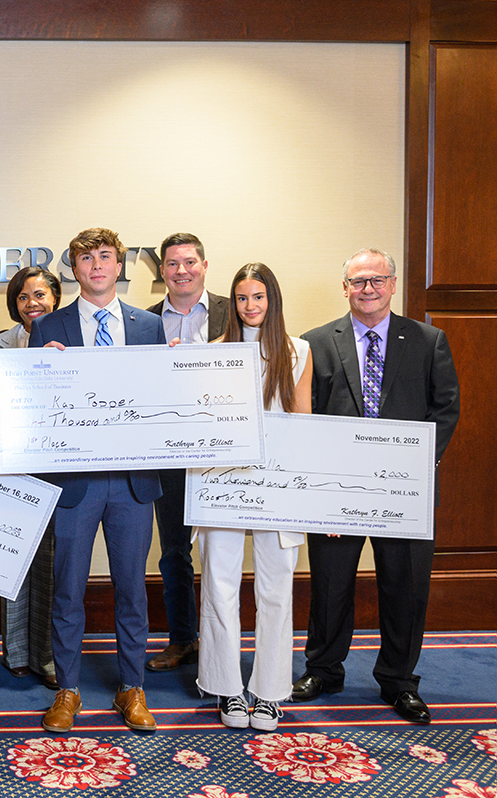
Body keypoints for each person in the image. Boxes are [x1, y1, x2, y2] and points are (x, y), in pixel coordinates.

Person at [292, 248, 459, 724]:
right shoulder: (316, 342)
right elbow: (306, 417)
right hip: (337, 490)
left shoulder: (428, 340)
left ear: (393, 285)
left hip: (404, 490)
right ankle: (323, 670)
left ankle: (399, 680)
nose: (368, 288)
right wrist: (317, 488)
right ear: (344, 287)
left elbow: (445, 407)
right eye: (358, 281)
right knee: (330, 583)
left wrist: (413, 466)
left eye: (377, 280)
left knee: (405, 585)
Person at [31, 227, 166, 734]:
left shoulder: (149, 326)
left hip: (133, 481)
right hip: (76, 482)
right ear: (74, 268)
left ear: (119, 265)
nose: (96, 266)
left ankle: (132, 687)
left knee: (132, 589)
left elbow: (162, 397)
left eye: (105, 257)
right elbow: (36, 405)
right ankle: (67, 689)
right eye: (86, 258)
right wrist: (46, 372)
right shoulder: (48, 326)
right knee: (68, 590)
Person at [195, 263, 311, 731]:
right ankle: (225, 687)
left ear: (272, 300)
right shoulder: (212, 351)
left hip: (278, 486)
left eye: (258, 297)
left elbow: (304, 423)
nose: (250, 306)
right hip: (221, 483)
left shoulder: (298, 351)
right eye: (242, 298)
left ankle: (269, 692)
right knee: (219, 584)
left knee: (276, 589)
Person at [144, 232, 231, 673]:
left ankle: (222, 644)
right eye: (173, 264)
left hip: (224, 450)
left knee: (223, 548)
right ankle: (183, 639)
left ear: (204, 265)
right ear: (162, 270)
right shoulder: (142, 322)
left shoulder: (233, 311)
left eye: (190, 262)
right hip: (169, 452)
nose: (182, 271)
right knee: (174, 550)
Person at [0, 267, 62, 688]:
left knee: (52, 564)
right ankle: (16, 651)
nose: (32, 303)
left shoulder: (71, 340)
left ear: (55, 298)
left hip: (57, 466)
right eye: (22, 297)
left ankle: (47, 655)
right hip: (13, 465)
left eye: (40, 295)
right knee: (13, 557)